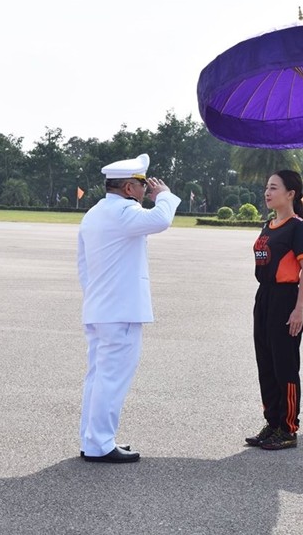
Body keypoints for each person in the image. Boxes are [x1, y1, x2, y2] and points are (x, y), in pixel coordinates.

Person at [77, 153, 181, 463]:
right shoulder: (123, 211)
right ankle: (101, 444)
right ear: (127, 188)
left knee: (98, 377)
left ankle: (92, 440)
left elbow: (83, 266)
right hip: (119, 311)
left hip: (99, 308)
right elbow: (161, 219)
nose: (145, 190)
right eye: (141, 184)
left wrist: (97, 298)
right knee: (111, 378)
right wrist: (165, 195)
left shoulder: (94, 213)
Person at [246, 170, 303, 450]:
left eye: (274, 188)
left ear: (290, 194)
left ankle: (288, 428)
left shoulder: (297, 227)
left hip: (287, 298)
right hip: (264, 297)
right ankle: (272, 422)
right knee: (266, 363)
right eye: (266, 187)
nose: (267, 192)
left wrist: (299, 308)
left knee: (284, 364)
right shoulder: (267, 225)